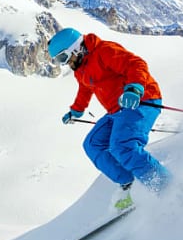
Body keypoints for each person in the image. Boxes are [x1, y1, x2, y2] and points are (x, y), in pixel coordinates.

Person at [47, 27, 171, 210]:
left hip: (142, 100)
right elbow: (85, 88)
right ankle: (130, 184)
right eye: (58, 61)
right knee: (92, 144)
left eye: (63, 58)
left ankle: (166, 188)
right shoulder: (80, 68)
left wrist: (135, 88)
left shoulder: (104, 51)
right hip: (117, 110)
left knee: (122, 146)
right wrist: (76, 110)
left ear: (75, 48)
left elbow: (136, 64)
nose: (65, 63)